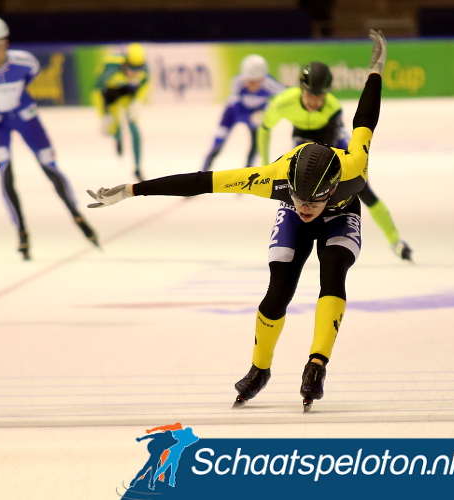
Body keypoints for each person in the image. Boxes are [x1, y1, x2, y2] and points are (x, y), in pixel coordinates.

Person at [87, 31, 388, 412]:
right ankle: (259, 369)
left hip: (343, 211)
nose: (305, 207)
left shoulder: (353, 169)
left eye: (312, 200)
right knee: (279, 287)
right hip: (308, 196)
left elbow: (366, 118)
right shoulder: (274, 179)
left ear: (331, 185)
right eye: (297, 198)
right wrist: (133, 190)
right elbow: (202, 182)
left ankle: (316, 365)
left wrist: (375, 70)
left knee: (334, 272)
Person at [0, 15, 98, 260]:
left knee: (49, 166)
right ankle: (21, 229)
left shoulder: (25, 62)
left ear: (7, 43)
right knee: (4, 170)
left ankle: (76, 214)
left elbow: (29, 76)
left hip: (26, 117)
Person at [257, 60, 412, 261]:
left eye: (319, 96)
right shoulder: (283, 103)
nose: (314, 101)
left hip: (331, 141)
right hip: (303, 141)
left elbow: (338, 146)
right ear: (300, 89)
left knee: (363, 189)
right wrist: (265, 164)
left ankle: (395, 241)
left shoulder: (332, 107)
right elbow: (264, 129)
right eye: (310, 95)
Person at [201, 54, 285, 172]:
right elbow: (235, 110)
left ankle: (246, 177)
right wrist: (251, 118)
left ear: (263, 78)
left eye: (256, 82)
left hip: (256, 115)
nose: (252, 85)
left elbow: (287, 98)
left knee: (256, 145)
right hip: (232, 114)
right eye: (249, 81)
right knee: (217, 143)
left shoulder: (271, 85)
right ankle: (202, 174)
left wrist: (270, 113)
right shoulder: (237, 82)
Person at [92, 43, 150, 182]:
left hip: (128, 94)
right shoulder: (111, 67)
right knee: (114, 127)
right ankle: (117, 137)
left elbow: (145, 84)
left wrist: (138, 101)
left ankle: (137, 168)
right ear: (125, 63)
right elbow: (97, 92)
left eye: (138, 70)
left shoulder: (145, 67)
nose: (135, 73)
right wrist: (103, 115)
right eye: (132, 69)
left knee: (134, 129)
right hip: (110, 95)